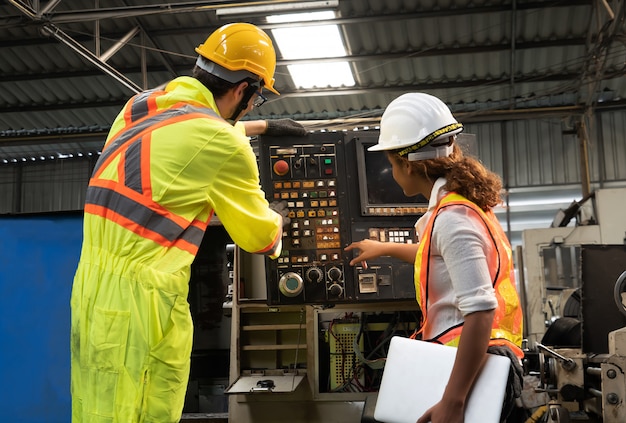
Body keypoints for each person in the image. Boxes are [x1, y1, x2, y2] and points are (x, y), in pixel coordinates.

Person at [70, 22, 300, 423]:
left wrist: (260, 127)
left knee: (95, 406)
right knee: (141, 411)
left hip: (91, 291)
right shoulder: (224, 144)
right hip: (144, 305)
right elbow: (260, 238)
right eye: (256, 99)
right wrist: (280, 217)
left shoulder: (140, 106)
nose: (251, 107)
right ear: (245, 89)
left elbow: (186, 131)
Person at [345, 93, 524, 423]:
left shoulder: (453, 218)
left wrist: (453, 402)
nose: (392, 172)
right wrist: (383, 247)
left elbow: (481, 310)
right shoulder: (461, 209)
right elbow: (439, 257)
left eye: (391, 164)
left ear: (408, 164)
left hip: (471, 372)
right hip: (473, 363)